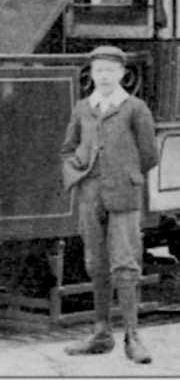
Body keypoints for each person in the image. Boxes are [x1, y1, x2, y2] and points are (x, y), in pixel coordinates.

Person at [61, 46, 158, 364]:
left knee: (126, 265)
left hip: (124, 197)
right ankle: (101, 333)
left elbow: (148, 155)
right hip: (91, 197)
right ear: (91, 74)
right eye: (98, 70)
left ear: (121, 74)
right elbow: (68, 148)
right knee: (96, 264)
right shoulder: (82, 108)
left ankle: (133, 336)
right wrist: (79, 171)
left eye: (110, 71)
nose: (103, 76)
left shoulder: (135, 108)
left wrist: (125, 174)